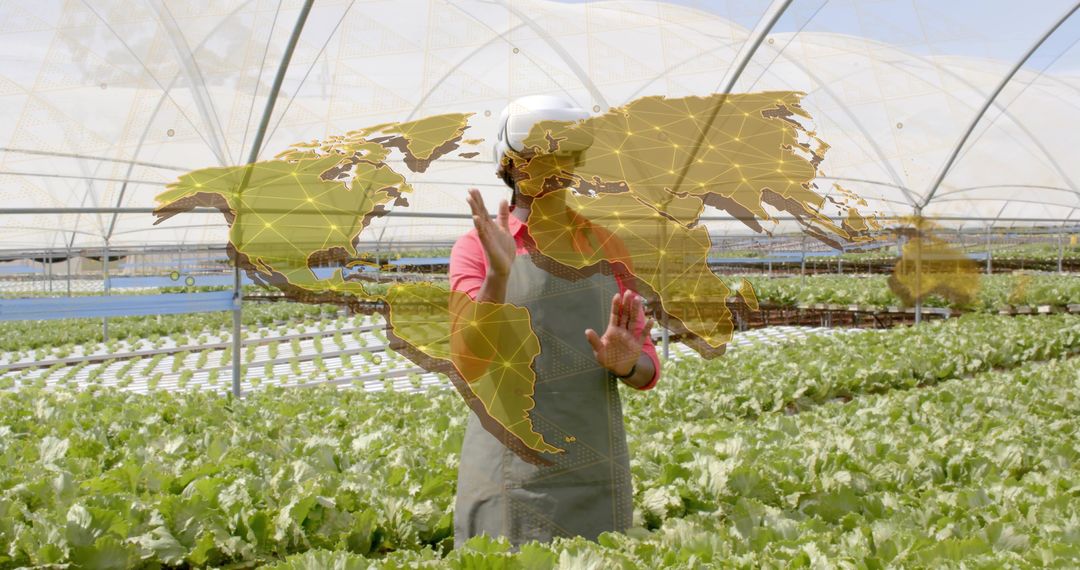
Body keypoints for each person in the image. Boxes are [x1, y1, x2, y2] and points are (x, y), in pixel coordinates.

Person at [450, 95, 662, 548]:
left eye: (562, 157)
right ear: (509, 167)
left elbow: (646, 368)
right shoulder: (477, 248)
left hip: (592, 467)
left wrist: (625, 363)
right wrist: (498, 275)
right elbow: (469, 356)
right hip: (506, 465)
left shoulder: (608, 248)